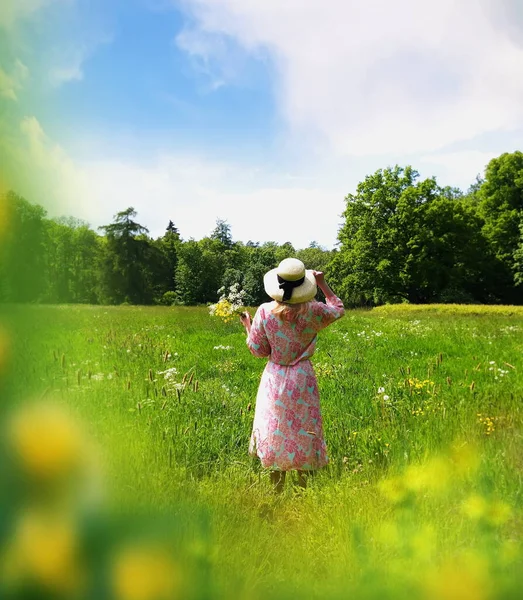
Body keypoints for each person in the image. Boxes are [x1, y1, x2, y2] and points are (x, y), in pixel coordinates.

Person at [239, 258, 344, 493]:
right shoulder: (315, 310)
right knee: (303, 429)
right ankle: (302, 489)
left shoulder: (265, 311)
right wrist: (322, 283)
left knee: (275, 429)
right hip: (302, 378)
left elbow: (259, 350)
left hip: (275, 377)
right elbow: (338, 309)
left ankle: (277, 489)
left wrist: (248, 326)